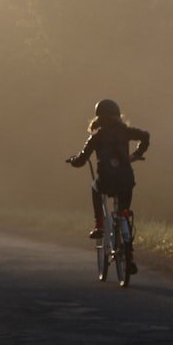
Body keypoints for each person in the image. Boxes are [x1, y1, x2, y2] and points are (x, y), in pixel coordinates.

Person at [66, 99, 150, 273]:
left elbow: (81, 160)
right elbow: (145, 136)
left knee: (95, 187)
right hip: (126, 181)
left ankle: (99, 225)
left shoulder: (96, 137)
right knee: (124, 214)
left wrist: (73, 160)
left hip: (106, 182)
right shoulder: (125, 132)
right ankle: (130, 256)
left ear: (99, 117)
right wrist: (136, 154)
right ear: (118, 115)